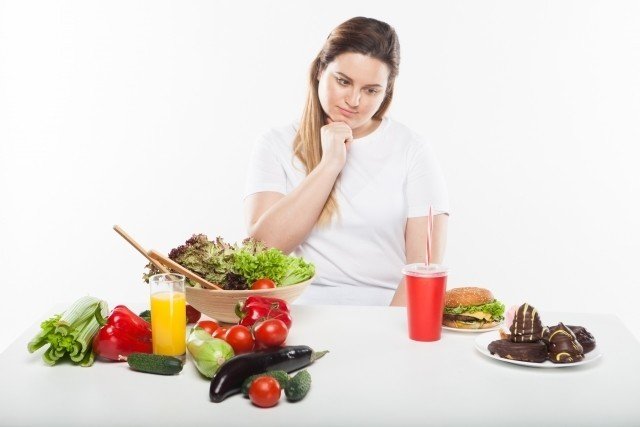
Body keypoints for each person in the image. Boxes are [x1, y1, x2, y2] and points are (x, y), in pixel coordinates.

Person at [243, 17, 449, 306]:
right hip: (299, 316)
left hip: (387, 313)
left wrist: (391, 335)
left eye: (371, 90)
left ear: (386, 91)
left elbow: (424, 272)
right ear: (319, 71)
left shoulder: (412, 149)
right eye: (343, 81)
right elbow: (261, 251)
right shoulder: (275, 144)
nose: (354, 100)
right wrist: (330, 164)